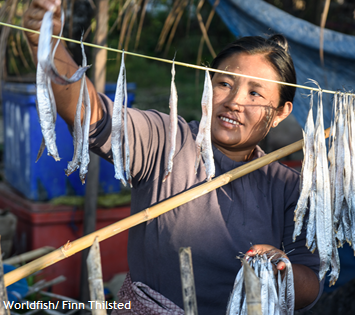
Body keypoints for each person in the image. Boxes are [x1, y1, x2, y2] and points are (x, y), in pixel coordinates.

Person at [23, 0, 322, 313]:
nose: (234, 101)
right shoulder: (165, 140)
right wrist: (48, 43)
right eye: (224, 84)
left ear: (280, 113)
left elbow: (309, 283)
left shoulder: (289, 188)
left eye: (255, 94)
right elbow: (90, 114)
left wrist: (282, 271)